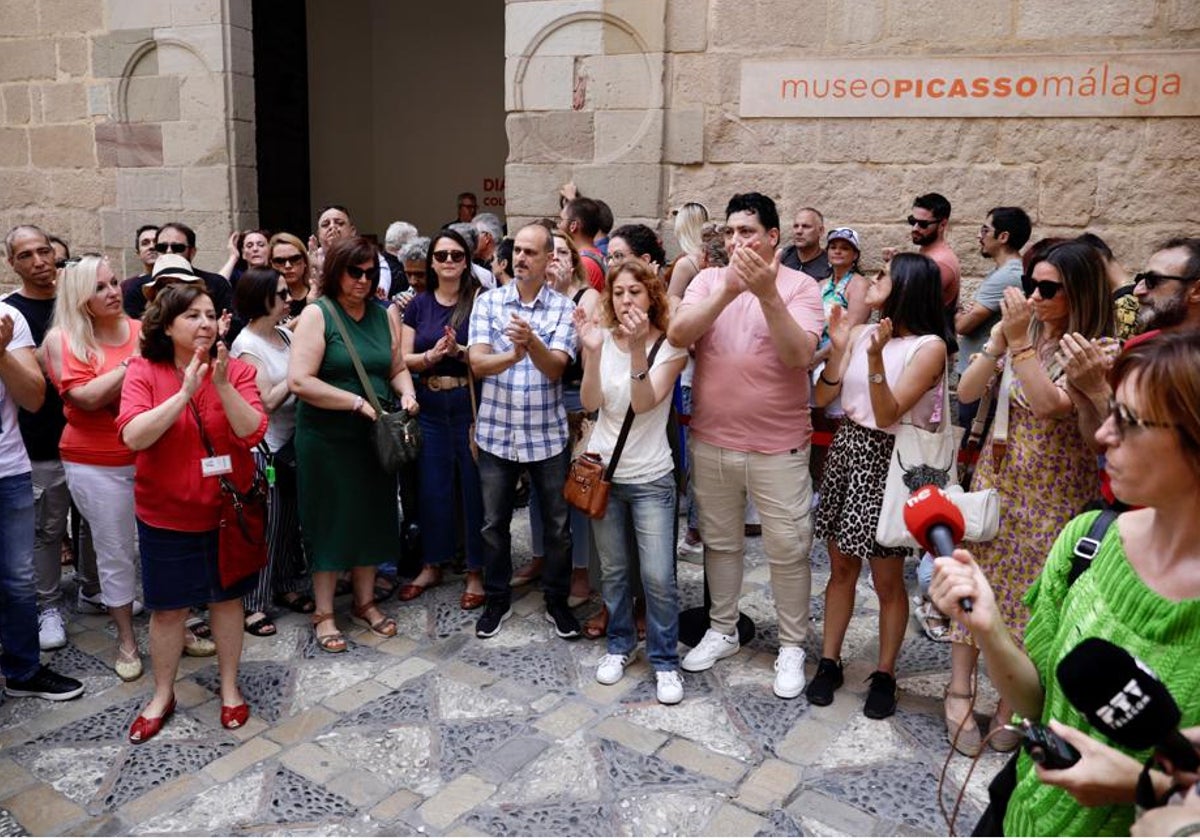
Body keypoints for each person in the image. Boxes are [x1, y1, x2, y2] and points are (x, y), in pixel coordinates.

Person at [930, 330, 1200, 836]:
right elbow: (1039, 702)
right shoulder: (1088, 539)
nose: (1102, 436)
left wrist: (1145, 786)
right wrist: (989, 628)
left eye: (1131, 422)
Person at [950, 240, 1117, 756]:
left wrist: (1020, 341)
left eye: (1049, 289)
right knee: (978, 580)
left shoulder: (1097, 348)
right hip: (1000, 482)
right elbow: (966, 392)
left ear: (1079, 293)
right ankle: (959, 687)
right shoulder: (1027, 333)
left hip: (1055, 492)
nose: (1035, 297)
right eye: (1031, 286)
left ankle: (1010, 701)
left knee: (1028, 596)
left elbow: (1049, 405)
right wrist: (1001, 342)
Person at [667, 192, 824, 699]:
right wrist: (728, 289)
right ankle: (722, 628)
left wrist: (766, 294)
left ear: (772, 237)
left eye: (747, 233)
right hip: (713, 439)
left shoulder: (800, 286)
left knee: (787, 548)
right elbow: (678, 331)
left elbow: (799, 355)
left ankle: (792, 645)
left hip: (779, 445)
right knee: (721, 541)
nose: (736, 241)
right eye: (730, 233)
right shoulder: (709, 280)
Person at [117, 283, 268, 741]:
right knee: (168, 612)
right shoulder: (143, 371)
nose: (204, 323)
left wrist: (220, 385)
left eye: (209, 315)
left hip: (226, 511)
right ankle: (163, 693)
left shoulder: (236, 370)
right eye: (191, 316)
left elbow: (252, 431)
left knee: (227, 603)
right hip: (166, 515)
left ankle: (229, 688)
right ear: (166, 325)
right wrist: (183, 394)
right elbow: (134, 437)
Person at [807, 253, 949, 718]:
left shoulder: (929, 347)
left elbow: (888, 413)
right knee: (840, 567)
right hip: (848, 450)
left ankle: (885, 672)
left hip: (889, 461)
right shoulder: (864, 331)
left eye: (884, 275)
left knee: (888, 578)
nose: (873, 279)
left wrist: (871, 358)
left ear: (906, 286)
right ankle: (828, 661)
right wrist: (841, 347)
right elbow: (823, 396)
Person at [289, 237, 418, 652]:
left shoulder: (383, 316)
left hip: (374, 436)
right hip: (328, 438)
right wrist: (355, 401)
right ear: (336, 272)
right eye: (354, 272)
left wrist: (407, 393)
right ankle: (324, 611)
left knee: (373, 516)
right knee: (330, 520)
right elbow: (300, 381)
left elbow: (395, 365)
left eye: (370, 273)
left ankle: (364, 602)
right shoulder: (317, 314)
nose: (363, 281)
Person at [577, 259, 688, 703]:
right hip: (604, 472)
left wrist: (639, 348)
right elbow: (590, 403)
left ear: (652, 297)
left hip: (651, 477)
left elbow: (644, 405)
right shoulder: (600, 338)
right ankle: (620, 645)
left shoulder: (670, 348)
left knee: (659, 576)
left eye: (635, 292)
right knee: (616, 572)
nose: (626, 300)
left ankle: (664, 661)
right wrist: (590, 353)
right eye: (619, 293)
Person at [467, 223, 580, 640]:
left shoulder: (564, 309)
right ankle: (497, 599)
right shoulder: (489, 303)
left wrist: (530, 343)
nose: (521, 258)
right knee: (493, 525)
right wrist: (513, 355)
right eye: (517, 250)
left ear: (550, 259)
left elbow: (556, 368)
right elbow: (477, 364)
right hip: (497, 433)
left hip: (546, 436)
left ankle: (557, 600)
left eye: (531, 252)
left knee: (557, 527)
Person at [40, 256, 143, 680]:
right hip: (96, 462)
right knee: (115, 549)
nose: (114, 292)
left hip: (152, 455)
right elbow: (85, 398)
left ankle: (175, 623)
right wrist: (132, 363)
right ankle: (126, 640)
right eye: (100, 287)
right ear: (80, 297)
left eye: (115, 282)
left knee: (159, 546)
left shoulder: (138, 330)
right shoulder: (61, 340)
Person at [0, 292, 85, 702]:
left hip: (9, 469)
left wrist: (0, 353)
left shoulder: (7, 316)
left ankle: (23, 670)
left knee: (18, 579)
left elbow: (34, 397)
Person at [399, 229, 486, 610]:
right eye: (441, 255)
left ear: (466, 260)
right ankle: (432, 563)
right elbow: (402, 359)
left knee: (473, 488)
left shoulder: (480, 302)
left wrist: (460, 350)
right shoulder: (417, 305)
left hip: (468, 403)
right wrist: (432, 356)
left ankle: (475, 570)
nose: (448, 261)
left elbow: (489, 357)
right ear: (431, 262)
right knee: (431, 488)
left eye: (455, 255)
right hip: (431, 403)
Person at [4, 225, 75, 650]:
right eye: (26, 255)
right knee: (48, 529)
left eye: (44, 251)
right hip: (38, 439)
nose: (38, 261)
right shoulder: (9, 315)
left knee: (91, 523)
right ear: (12, 264)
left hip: (89, 436)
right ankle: (48, 606)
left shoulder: (75, 304)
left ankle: (92, 588)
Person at [230, 267, 312, 629]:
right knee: (268, 526)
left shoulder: (283, 334)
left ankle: (286, 584)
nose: (288, 298)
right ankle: (254, 602)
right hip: (266, 451)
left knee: (289, 523)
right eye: (281, 294)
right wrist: (298, 375)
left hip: (293, 446)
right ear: (261, 299)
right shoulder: (246, 347)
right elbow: (264, 403)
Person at [955, 207, 1031, 428]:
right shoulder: (1004, 272)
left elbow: (964, 325)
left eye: (985, 230)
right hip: (980, 373)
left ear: (1003, 237)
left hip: (983, 379)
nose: (979, 236)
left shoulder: (1008, 275)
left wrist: (958, 312)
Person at [124, 223, 233, 319]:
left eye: (177, 248)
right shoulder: (137, 288)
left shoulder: (217, 284)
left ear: (192, 252)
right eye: (162, 247)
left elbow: (231, 323)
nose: (169, 251)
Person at [559, 197, 606, 291]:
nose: (559, 225)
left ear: (573, 226)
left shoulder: (583, 263)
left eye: (561, 220)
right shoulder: (598, 255)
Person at [268, 232, 315, 323]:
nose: (288, 266)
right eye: (279, 261)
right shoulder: (266, 301)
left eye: (295, 259)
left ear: (305, 261)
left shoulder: (317, 295)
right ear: (271, 264)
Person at [780, 207, 832, 282]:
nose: (799, 231)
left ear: (820, 231)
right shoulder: (783, 257)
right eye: (796, 226)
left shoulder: (829, 265)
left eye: (806, 226)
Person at [120, 225, 159, 311]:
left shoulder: (177, 280)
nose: (152, 247)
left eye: (156, 242)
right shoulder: (127, 286)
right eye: (145, 243)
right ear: (138, 252)